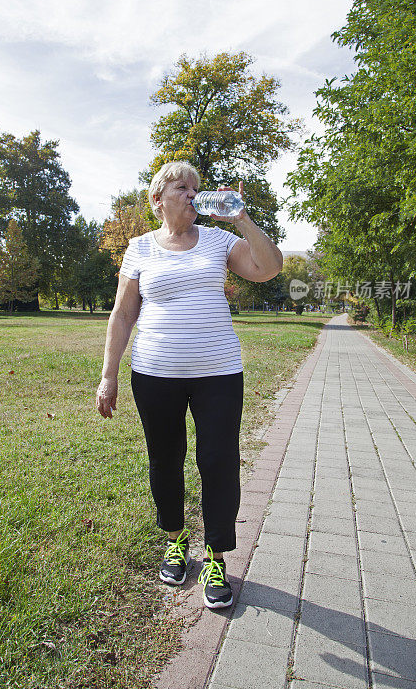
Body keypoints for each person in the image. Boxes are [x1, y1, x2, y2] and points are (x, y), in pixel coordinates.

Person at [95, 161, 283, 610]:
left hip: (218, 372)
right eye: (183, 187)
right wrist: (109, 375)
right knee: (165, 458)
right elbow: (123, 314)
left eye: (197, 189)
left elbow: (269, 268)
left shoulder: (220, 240)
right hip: (155, 372)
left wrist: (241, 217)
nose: (193, 195)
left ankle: (216, 558)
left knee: (218, 460)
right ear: (157, 200)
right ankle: (176, 541)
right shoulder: (139, 247)